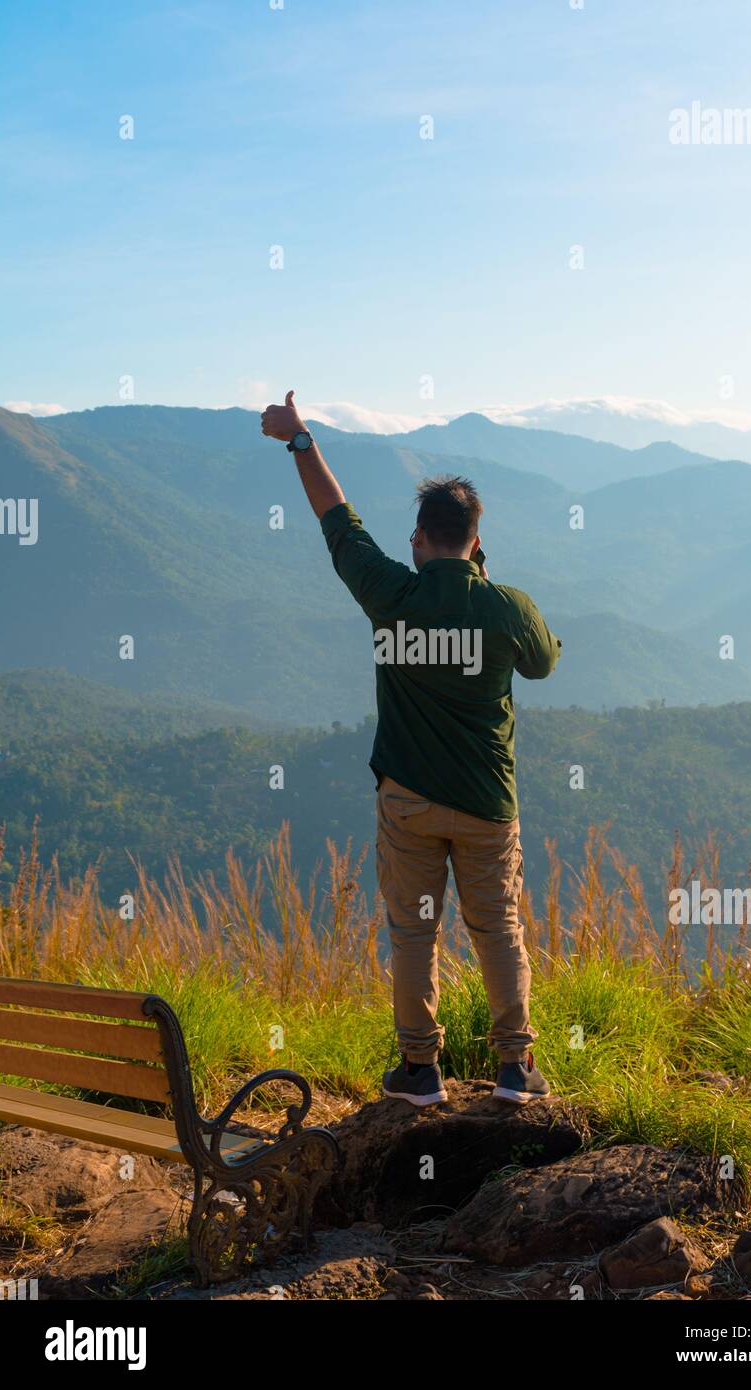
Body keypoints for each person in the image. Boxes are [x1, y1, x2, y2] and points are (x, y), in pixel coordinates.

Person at [261, 391, 561, 1105]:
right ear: (477, 541)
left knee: (414, 934)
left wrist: (300, 439)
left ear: (421, 538)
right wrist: (480, 582)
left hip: (409, 803)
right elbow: (543, 664)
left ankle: (421, 1071)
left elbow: (337, 520)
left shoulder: (388, 591)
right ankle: (515, 1070)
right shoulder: (505, 605)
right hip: (489, 803)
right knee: (500, 931)